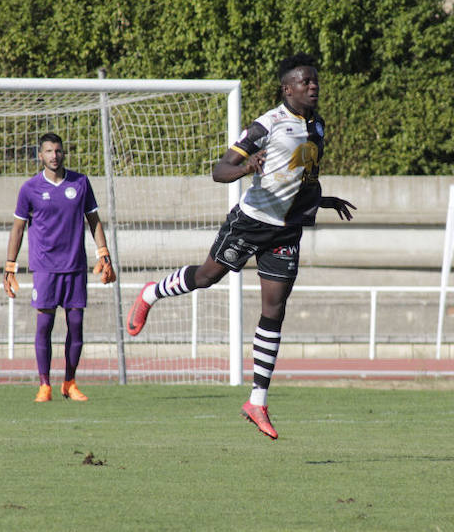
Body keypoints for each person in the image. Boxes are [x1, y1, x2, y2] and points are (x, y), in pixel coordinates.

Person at [124, 53, 355, 439]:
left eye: (315, 81)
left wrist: (323, 200)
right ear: (288, 88)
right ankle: (151, 292)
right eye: (305, 82)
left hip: (287, 229)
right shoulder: (268, 124)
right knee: (206, 277)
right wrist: (247, 167)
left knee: (274, 309)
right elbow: (220, 170)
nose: (313, 86)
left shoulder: (318, 126)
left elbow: (303, 176)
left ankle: (257, 401)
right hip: (251, 222)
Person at [3, 133, 116, 402]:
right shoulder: (29, 188)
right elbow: (18, 228)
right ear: (40, 156)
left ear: (63, 153)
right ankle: (45, 385)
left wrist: (103, 252)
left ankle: (70, 383)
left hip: (75, 266)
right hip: (45, 268)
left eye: (58, 151)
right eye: (49, 151)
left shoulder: (80, 183)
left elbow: (94, 219)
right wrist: (10, 265)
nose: (54, 155)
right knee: (45, 325)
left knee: (76, 324)